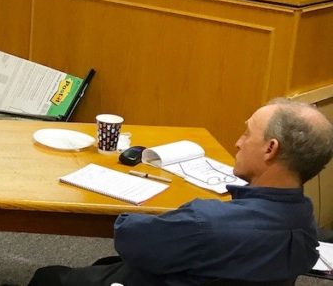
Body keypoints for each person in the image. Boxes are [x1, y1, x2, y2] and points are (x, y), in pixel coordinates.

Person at [28, 99, 333, 286]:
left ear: (270, 149)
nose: (238, 143)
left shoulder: (205, 222)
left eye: (247, 133)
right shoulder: (305, 222)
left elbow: (130, 240)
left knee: (48, 276)